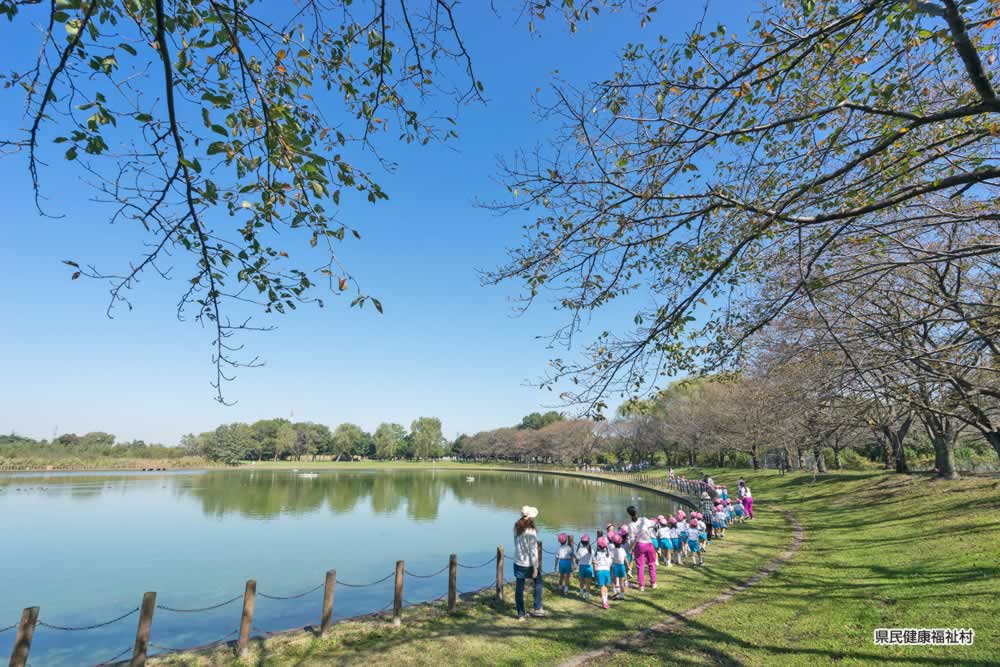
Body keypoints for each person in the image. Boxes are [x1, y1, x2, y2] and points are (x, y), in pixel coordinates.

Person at [513, 506, 544, 620]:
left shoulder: (517, 528)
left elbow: (516, 544)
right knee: (538, 582)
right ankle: (537, 608)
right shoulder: (531, 531)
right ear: (530, 518)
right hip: (528, 563)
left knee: (519, 588)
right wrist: (535, 567)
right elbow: (533, 550)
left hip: (518, 561)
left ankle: (520, 614)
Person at [627, 505, 657, 591]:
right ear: (637, 512)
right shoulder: (644, 519)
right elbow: (654, 523)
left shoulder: (630, 525)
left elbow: (632, 539)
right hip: (649, 544)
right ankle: (653, 583)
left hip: (640, 545)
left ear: (629, 514)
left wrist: (630, 548)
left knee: (640, 565)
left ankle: (641, 586)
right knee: (652, 563)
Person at [594, 536, 614, 609]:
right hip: (607, 571)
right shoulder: (609, 554)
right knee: (605, 586)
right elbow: (611, 564)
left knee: (602, 587)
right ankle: (605, 601)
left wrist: (595, 574)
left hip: (599, 571)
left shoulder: (596, 554)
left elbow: (595, 564)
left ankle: (604, 602)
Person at [576, 534, 595, 600]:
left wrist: (576, 564)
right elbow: (593, 560)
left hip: (581, 567)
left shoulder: (579, 550)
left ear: (581, 542)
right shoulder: (591, 550)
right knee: (588, 583)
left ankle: (581, 593)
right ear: (588, 541)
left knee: (581, 581)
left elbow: (577, 559)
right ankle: (587, 596)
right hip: (589, 567)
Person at [610, 534, 628, 599]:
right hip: (622, 567)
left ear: (614, 543)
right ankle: (622, 596)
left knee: (613, 581)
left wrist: (610, 566)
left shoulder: (613, 550)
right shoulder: (623, 550)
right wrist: (628, 566)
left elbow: (611, 560)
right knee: (621, 582)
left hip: (615, 567)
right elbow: (625, 559)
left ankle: (615, 594)